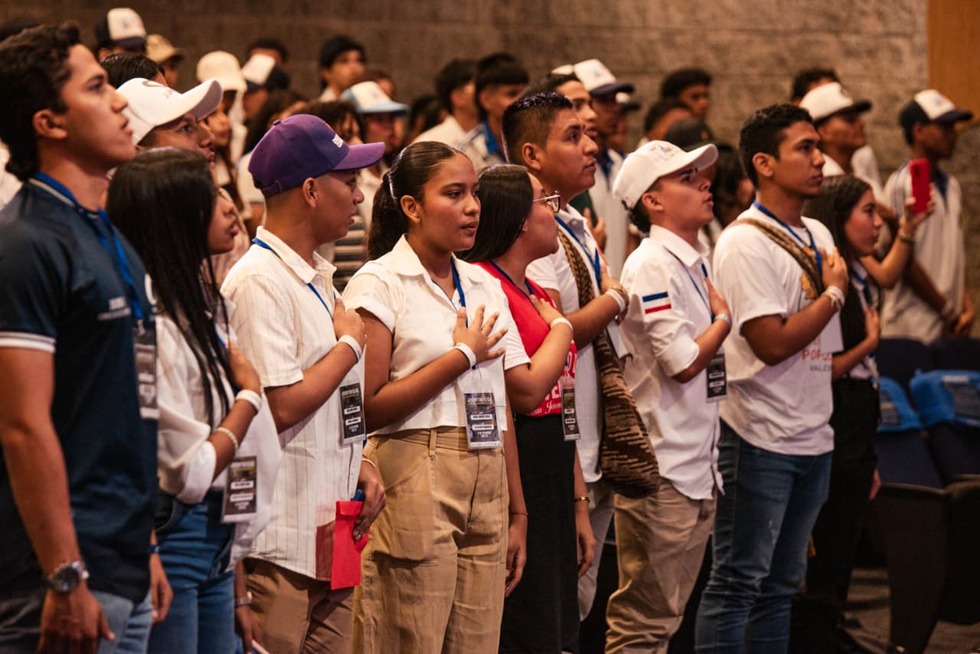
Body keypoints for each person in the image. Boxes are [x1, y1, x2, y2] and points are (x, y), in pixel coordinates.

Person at [0, 23, 158, 652]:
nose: (122, 100)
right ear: (50, 122)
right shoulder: (27, 241)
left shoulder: (107, 234)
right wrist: (65, 576)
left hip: (122, 563)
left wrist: (142, 546)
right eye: (98, 88)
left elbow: (121, 405)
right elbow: (21, 425)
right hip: (55, 577)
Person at [344, 141, 529, 653]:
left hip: (487, 470)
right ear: (412, 207)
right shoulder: (379, 282)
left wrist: (518, 511)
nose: (473, 207)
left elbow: (502, 404)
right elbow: (369, 405)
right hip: (413, 468)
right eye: (454, 193)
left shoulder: (482, 284)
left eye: (474, 193)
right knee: (408, 640)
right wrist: (458, 358)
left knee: (477, 644)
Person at [221, 114, 386, 653]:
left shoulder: (316, 273)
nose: (360, 197)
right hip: (278, 545)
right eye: (349, 182)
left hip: (330, 534)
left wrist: (359, 460)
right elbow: (279, 407)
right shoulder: (257, 281)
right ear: (312, 190)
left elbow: (332, 403)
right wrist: (348, 347)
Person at [108, 148, 280, 654]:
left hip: (221, 537)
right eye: (210, 199)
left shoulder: (208, 304)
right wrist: (249, 395)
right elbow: (192, 471)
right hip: (178, 536)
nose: (230, 208)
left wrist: (241, 590)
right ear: (175, 217)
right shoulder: (152, 325)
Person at [695, 103, 848, 653]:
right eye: (804, 148)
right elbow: (772, 341)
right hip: (758, 434)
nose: (819, 158)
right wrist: (833, 296)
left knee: (782, 588)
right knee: (738, 583)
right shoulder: (745, 241)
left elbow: (818, 348)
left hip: (814, 431)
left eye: (818, 147)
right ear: (763, 163)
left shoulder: (817, 233)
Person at [503, 92, 631, 622]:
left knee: (577, 608)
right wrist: (615, 300)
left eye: (590, 133)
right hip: (553, 438)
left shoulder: (575, 221)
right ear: (531, 155)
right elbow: (548, 335)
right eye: (572, 136)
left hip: (589, 435)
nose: (590, 145)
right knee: (556, 612)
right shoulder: (529, 228)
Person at [789, 174, 928, 653]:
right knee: (825, 544)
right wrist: (868, 344)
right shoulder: (829, 279)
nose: (875, 223)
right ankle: (815, 636)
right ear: (839, 218)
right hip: (834, 418)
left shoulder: (855, 272)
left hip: (856, 424)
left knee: (845, 540)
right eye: (867, 212)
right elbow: (820, 368)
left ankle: (833, 626)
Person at [461, 164, 595, 653]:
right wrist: (563, 329)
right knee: (529, 626)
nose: (556, 212)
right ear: (518, 218)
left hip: (557, 465)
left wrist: (579, 504)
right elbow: (525, 391)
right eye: (546, 202)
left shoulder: (535, 291)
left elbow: (565, 401)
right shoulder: (484, 285)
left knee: (561, 627)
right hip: (521, 464)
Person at [605, 141, 730, 653]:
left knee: (666, 622)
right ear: (652, 202)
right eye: (686, 177)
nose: (704, 182)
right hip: (665, 468)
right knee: (643, 626)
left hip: (696, 463)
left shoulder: (691, 260)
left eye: (700, 173)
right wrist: (724, 321)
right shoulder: (653, 262)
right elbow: (682, 362)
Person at [880, 89, 975, 342]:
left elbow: (955, 250)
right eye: (944, 126)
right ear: (918, 131)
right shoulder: (903, 184)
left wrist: (965, 305)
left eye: (953, 126)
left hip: (948, 324)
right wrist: (945, 309)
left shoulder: (951, 184)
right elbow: (903, 257)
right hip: (912, 325)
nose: (953, 134)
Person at [457, 52, 528, 173]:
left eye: (525, 93)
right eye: (511, 94)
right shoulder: (468, 151)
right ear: (486, 100)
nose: (522, 100)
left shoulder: (535, 139)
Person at [414, 58, 478, 146]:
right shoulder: (429, 143)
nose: (486, 96)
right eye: (479, 87)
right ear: (459, 97)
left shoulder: (495, 138)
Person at [318, 35, 365, 102]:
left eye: (359, 60)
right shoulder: (319, 110)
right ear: (326, 72)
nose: (354, 67)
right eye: (344, 61)